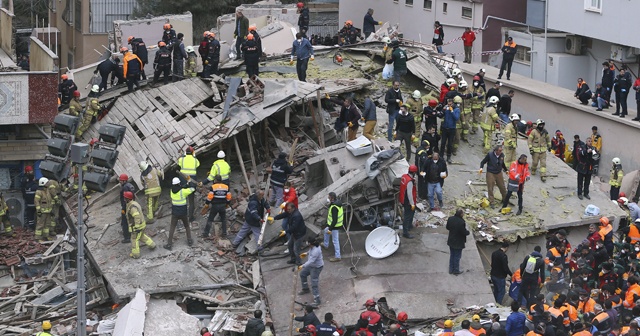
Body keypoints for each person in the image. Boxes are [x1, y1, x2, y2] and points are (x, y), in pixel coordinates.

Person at [165, 177, 195, 250]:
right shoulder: (183, 191)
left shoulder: (171, 191)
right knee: (187, 226)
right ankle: (189, 241)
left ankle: (169, 244)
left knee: (172, 227)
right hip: (183, 212)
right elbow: (192, 189)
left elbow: (179, 188)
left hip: (175, 212)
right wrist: (190, 182)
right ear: (179, 183)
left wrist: (185, 185)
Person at [124, 190, 156, 258]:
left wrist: (137, 227)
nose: (124, 199)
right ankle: (152, 245)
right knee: (141, 236)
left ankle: (136, 254)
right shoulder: (134, 203)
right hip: (142, 225)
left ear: (128, 199)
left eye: (125, 198)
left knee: (134, 239)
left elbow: (136, 216)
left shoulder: (132, 207)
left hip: (137, 226)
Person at [298, 236, 324, 307]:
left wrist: (302, 266)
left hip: (316, 267)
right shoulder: (313, 247)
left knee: (314, 283)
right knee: (303, 274)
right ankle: (305, 288)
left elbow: (311, 261)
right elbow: (310, 251)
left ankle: (317, 300)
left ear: (311, 243)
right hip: (312, 266)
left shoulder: (316, 251)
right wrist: (306, 253)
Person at [177, 146, 200, 221]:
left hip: (183, 178)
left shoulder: (182, 159)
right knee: (191, 199)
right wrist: (194, 156)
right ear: (193, 152)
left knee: (182, 197)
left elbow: (179, 163)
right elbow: (198, 165)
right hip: (192, 179)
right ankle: (190, 217)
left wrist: (183, 156)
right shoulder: (195, 160)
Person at [446, 209, 469, 275]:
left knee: (452, 255)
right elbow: (463, 232)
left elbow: (447, 227)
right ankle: (456, 270)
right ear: (461, 214)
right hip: (458, 242)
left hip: (451, 240)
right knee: (457, 257)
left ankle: (451, 269)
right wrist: (468, 232)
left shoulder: (450, 219)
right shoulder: (461, 222)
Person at [399, 165, 418, 239]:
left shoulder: (404, 176)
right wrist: (412, 204)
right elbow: (409, 194)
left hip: (403, 199)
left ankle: (409, 226)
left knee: (411, 213)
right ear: (413, 172)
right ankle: (405, 232)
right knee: (407, 216)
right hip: (408, 201)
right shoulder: (410, 181)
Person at [323, 192, 343, 262]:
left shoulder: (334, 207)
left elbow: (335, 220)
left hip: (334, 226)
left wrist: (330, 229)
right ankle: (325, 244)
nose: (327, 198)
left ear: (332, 198)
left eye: (328, 197)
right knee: (325, 231)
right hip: (334, 225)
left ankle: (338, 256)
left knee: (335, 240)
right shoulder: (337, 203)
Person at [440, 98, 460, 164]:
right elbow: (441, 115)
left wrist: (452, 111)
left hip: (452, 128)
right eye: (448, 104)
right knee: (443, 143)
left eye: (450, 104)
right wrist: (443, 109)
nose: (449, 105)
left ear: (453, 104)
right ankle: (441, 156)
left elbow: (456, 118)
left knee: (450, 144)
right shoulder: (447, 108)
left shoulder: (457, 109)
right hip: (445, 128)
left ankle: (449, 157)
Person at [34, 177, 53, 242]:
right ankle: (38, 238)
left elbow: (50, 201)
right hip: (42, 212)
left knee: (47, 224)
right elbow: (36, 202)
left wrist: (51, 209)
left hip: (48, 211)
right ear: (43, 183)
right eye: (47, 182)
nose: (48, 183)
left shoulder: (47, 190)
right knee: (40, 224)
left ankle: (46, 236)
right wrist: (38, 211)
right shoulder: (39, 192)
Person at [118, 174, 135, 244]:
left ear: (124, 180)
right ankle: (132, 232)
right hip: (131, 205)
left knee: (124, 222)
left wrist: (123, 209)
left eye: (121, 181)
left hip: (125, 207)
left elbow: (125, 199)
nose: (120, 182)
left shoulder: (125, 187)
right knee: (130, 220)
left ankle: (127, 237)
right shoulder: (130, 186)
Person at [21, 166, 37, 230]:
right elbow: (23, 188)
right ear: (27, 171)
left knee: (29, 212)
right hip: (28, 198)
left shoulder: (27, 179)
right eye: (30, 171)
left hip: (28, 198)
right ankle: (27, 224)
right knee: (27, 212)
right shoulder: (25, 179)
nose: (32, 172)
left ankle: (29, 224)